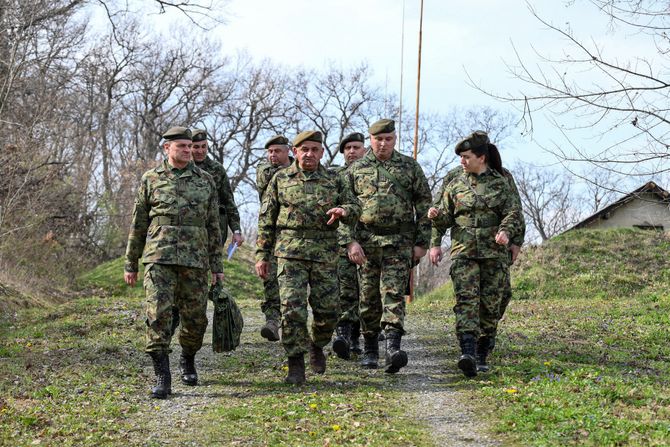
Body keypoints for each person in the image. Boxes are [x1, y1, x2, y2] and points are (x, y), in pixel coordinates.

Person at [124, 126, 224, 399]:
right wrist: (131, 262)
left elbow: (213, 226)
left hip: (195, 260)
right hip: (159, 258)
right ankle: (162, 375)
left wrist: (217, 267)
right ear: (166, 148)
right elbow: (139, 223)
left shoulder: (205, 180)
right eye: (180, 145)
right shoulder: (151, 179)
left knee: (195, 320)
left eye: (189, 145)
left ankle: (188, 358)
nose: (186, 150)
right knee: (157, 316)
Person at [255, 130, 360, 384]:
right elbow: (266, 219)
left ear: (322, 152)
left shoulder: (335, 180)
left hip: (325, 254)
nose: (309, 154)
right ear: (295, 151)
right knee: (292, 310)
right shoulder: (280, 179)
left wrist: (344, 210)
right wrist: (262, 254)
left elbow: (356, 207)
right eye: (304, 150)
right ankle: (295, 364)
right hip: (290, 254)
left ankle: (317, 343)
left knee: (329, 312)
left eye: (314, 149)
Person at [428, 130, 524, 377]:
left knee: (491, 304)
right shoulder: (455, 183)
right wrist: (436, 225)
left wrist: (507, 233)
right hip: (464, 252)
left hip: (494, 254)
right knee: (466, 301)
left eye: (466, 156)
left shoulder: (501, 182)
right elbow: (445, 216)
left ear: (481, 157)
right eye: (460, 156)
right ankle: (468, 352)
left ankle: (483, 351)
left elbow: (514, 213)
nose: (462, 161)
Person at [346, 119, 432, 373]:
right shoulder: (356, 170)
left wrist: (422, 243)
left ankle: (393, 348)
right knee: (369, 297)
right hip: (366, 243)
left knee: (394, 294)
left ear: (395, 140)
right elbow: (344, 209)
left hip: (399, 243)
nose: (383, 144)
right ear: (370, 141)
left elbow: (425, 206)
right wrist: (350, 242)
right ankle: (371, 348)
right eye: (378, 139)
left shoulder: (409, 167)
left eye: (388, 139)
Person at [167, 129, 244, 337]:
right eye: (195, 147)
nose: (199, 151)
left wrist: (236, 230)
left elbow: (229, 201)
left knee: (206, 270)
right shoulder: (177, 169)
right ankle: (175, 312)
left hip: (213, 227)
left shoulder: (215, 170)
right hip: (182, 233)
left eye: (203, 147)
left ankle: (211, 305)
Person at [330, 132, 367, 359]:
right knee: (344, 291)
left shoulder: (371, 174)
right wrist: (346, 241)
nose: (351, 151)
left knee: (367, 293)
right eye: (347, 148)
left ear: (365, 150)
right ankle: (344, 336)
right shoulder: (334, 177)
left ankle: (358, 336)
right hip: (343, 243)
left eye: (356, 147)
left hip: (371, 241)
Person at [255, 135, 293, 342]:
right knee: (269, 278)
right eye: (269, 152)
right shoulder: (265, 171)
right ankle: (272, 320)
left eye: (277, 151)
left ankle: (291, 321)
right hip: (270, 230)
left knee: (291, 280)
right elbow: (266, 188)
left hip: (293, 234)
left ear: (288, 151)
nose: (272, 155)